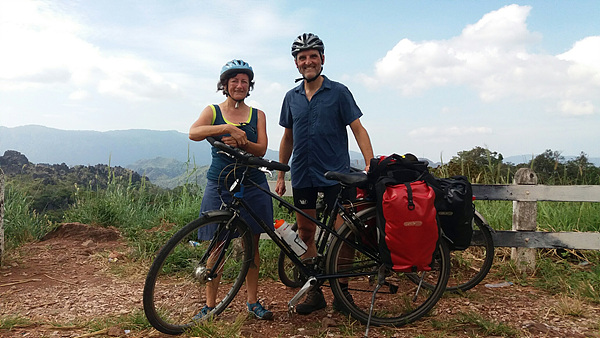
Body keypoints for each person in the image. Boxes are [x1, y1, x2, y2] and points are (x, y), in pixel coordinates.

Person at [275, 33, 375, 315]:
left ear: (322, 60)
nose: (308, 61)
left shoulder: (339, 92)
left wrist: (370, 164)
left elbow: (358, 129)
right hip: (303, 175)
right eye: (302, 58)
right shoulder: (290, 97)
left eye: (313, 56)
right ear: (296, 64)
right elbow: (287, 138)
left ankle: (343, 294)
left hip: (336, 175)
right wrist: (282, 174)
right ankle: (315, 291)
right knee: (305, 232)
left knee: (344, 234)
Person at [189, 59, 273, 320]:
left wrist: (242, 141)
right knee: (217, 246)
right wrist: (225, 128)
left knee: (252, 246)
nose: (239, 85)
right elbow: (194, 132)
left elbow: (260, 149)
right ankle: (210, 305)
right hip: (220, 184)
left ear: (250, 86)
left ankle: (252, 302)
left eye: (244, 82)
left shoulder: (258, 115)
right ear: (224, 85)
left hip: (252, 183)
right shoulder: (213, 111)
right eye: (234, 81)